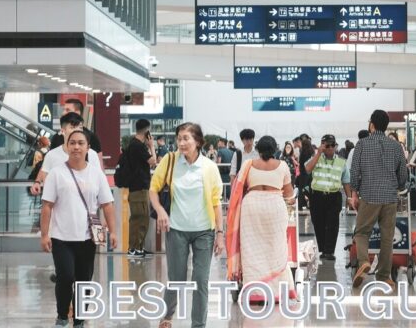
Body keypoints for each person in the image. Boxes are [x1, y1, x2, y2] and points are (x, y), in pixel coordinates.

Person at [39, 130, 117, 327]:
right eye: (72, 143)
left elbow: (107, 204)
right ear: (67, 147)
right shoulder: (57, 173)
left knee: (84, 281)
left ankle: (80, 320)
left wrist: (114, 232)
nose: (76, 147)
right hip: (61, 237)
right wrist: (45, 234)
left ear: (87, 147)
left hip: (87, 237)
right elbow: (47, 205)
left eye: (80, 143)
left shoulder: (96, 173)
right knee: (65, 276)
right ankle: (62, 316)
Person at [150, 123, 223, 328]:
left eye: (186, 138)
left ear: (198, 142)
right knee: (177, 278)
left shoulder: (209, 167)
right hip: (176, 231)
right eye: (179, 138)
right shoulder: (170, 160)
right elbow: (153, 189)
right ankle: (167, 316)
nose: (181, 143)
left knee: (201, 280)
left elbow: (216, 203)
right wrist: (161, 211)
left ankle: (198, 324)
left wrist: (219, 233)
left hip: (204, 232)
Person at [226, 136, 296, 301]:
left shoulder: (248, 165)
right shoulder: (283, 166)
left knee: (251, 249)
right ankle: (278, 292)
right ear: (275, 150)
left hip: (252, 207)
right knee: (276, 247)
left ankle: (255, 293)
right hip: (275, 207)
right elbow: (289, 193)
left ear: (258, 149)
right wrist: (291, 197)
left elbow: (238, 189)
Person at [348, 110, 409, 288]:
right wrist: (396, 186)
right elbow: (403, 175)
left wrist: (354, 193)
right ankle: (384, 276)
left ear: (372, 125)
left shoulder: (362, 144)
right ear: (386, 126)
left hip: (369, 195)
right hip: (390, 197)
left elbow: (355, 172)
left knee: (361, 232)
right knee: (387, 237)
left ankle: (364, 262)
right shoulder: (396, 146)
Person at [31, 113, 103, 196]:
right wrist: (37, 182)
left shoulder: (91, 154)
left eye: (80, 127)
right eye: (72, 127)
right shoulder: (52, 155)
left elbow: (99, 181)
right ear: (62, 131)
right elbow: (46, 177)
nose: (77, 130)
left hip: (86, 206)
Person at [305, 134, 352, 260]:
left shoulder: (341, 161)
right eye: (327, 145)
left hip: (334, 196)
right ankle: (323, 248)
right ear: (322, 145)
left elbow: (346, 181)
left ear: (335, 146)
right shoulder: (315, 158)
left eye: (332, 145)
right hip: (317, 196)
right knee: (318, 223)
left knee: (332, 224)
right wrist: (318, 153)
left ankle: (329, 252)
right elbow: (308, 169)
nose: (330, 148)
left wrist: (349, 198)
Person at [124, 119, 157, 258]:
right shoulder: (138, 146)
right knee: (139, 218)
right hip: (138, 188)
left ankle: (138, 247)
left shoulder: (133, 144)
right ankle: (134, 248)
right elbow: (153, 161)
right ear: (147, 131)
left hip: (138, 187)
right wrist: (152, 146)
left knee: (141, 218)